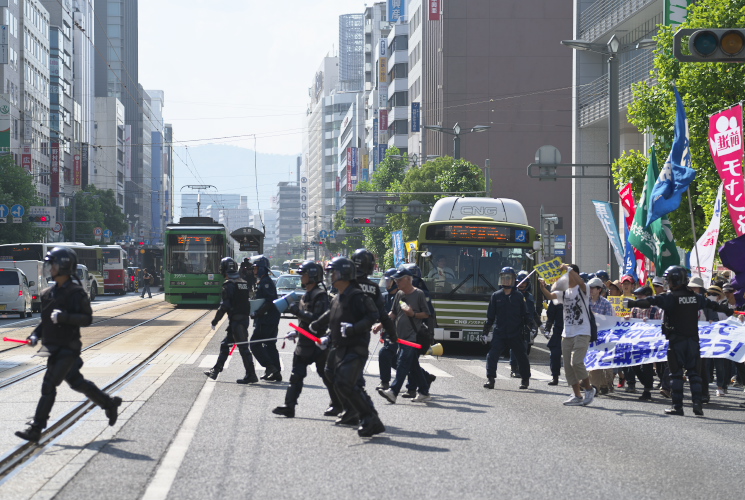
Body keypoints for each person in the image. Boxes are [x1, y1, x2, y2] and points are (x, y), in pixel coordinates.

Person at [15, 248, 121, 442]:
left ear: (63, 266)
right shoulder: (48, 293)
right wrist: (35, 336)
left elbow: (87, 319)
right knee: (77, 383)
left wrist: (64, 317)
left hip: (68, 348)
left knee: (49, 385)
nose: (49, 268)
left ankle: (36, 428)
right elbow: (45, 321)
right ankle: (109, 403)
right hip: (52, 347)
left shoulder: (76, 292)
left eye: (52, 264)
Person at [625, 265, 732, 416]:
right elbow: (712, 305)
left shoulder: (670, 297)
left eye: (668, 279)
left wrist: (632, 303)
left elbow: (650, 301)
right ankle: (697, 405)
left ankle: (677, 407)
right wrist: (728, 311)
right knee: (694, 374)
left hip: (676, 342)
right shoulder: (695, 297)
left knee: (676, 375)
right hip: (693, 341)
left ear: (673, 280)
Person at [309, 257, 384, 438]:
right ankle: (354, 412)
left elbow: (372, 315)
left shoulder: (357, 296)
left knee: (346, 382)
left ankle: (370, 418)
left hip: (355, 346)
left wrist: (354, 329)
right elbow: (333, 316)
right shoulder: (339, 296)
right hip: (340, 346)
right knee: (331, 373)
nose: (331, 276)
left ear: (343, 274)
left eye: (333, 272)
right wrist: (324, 333)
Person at [273, 261, 337, 418]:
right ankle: (289, 406)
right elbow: (305, 322)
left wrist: (296, 311)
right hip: (304, 343)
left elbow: (317, 319)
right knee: (296, 375)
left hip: (317, 343)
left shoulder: (320, 296)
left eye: (304, 274)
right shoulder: (307, 295)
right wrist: (296, 332)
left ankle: (338, 404)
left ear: (313, 276)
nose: (301, 277)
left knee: (327, 376)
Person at [538, 264, 595, 406]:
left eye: (570, 273)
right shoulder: (565, 291)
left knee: (576, 362)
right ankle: (577, 395)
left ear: (575, 273)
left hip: (582, 331)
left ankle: (589, 389)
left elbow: (581, 282)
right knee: (568, 367)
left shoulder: (584, 289)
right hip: (567, 332)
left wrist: (568, 268)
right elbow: (551, 296)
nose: (567, 276)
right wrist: (543, 288)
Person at [378, 265, 433, 404]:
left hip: (413, 337)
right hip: (400, 337)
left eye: (399, 280)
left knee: (402, 363)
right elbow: (393, 313)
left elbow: (427, 314)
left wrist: (413, 314)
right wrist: (380, 324)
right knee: (413, 366)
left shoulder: (419, 294)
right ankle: (424, 391)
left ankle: (393, 392)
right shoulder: (399, 294)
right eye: (395, 280)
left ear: (408, 279)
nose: (396, 283)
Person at [204, 257, 258, 384]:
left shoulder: (229, 285)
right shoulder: (243, 283)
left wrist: (215, 321)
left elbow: (225, 306)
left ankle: (251, 375)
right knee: (225, 345)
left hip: (237, 321)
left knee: (243, 348)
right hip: (241, 320)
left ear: (223, 270)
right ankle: (215, 370)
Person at [352, 250, 397, 394]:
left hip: (342, 335)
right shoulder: (373, 288)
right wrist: (393, 334)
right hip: (361, 337)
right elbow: (383, 315)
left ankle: (357, 409)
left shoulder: (345, 284)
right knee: (354, 374)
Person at [482, 267, 532, 390]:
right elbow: (490, 316)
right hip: (500, 332)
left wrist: (530, 328)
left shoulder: (519, 296)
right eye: (504, 278)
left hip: (516, 332)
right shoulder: (496, 295)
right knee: (492, 355)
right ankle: (490, 379)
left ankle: (525, 379)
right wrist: (485, 332)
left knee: (522, 356)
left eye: (509, 278)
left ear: (514, 280)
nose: (506, 281)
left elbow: (525, 314)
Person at [250, 255, 282, 382]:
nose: (254, 270)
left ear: (262, 269)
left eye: (256, 268)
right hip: (270, 319)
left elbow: (269, 301)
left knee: (254, 344)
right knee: (270, 345)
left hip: (267, 319)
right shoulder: (264, 281)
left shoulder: (266, 282)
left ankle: (270, 367)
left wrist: (257, 313)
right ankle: (276, 373)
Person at [627, 285, 661, 401]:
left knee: (647, 366)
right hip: (636, 341)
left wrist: (650, 322)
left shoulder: (654, 310)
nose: (638, 298)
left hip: (649, 342)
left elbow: (658, 325)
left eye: (641, 296)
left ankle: (647, 390)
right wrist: (628, 319)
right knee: (634, 365)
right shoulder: (635, 309)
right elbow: (630, 322)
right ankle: (646, 383)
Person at [586, 277, 615, 395]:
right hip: (585, 334)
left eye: (593, 288)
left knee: (596, 361)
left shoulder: (606, 303)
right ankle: (600, 384)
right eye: (589, 288)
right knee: (586, 360)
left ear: (599, 290)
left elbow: (608, 320)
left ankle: (595, 386)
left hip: (600, 336)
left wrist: (595, 315)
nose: (591, 290)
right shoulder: (584, 301)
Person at [375, 268, 399, 391]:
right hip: (387, 333)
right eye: (386, 280)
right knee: (395, 361)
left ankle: (385, 382)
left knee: (384, 354)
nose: (387, 283)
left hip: (398, 332)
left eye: (389, 280)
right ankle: (423, 377)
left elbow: (392, 314)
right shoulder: (384, 296)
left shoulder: (401, 296)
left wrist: (380, 325)